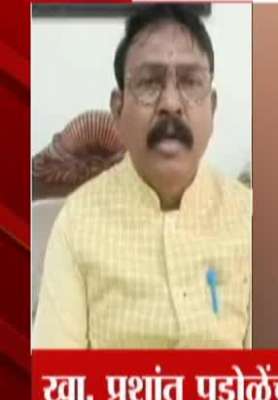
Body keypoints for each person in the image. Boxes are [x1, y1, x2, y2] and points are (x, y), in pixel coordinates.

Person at [32, 4, 252, 348]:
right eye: (149, 83)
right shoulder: (77, 223)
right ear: (118, 110)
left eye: (190, 82)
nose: (170, 103)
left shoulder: (252, 218)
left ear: (212, 107)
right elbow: (54, 375)